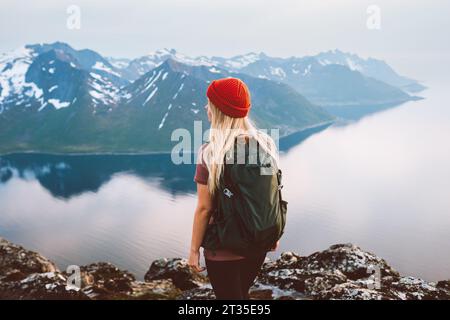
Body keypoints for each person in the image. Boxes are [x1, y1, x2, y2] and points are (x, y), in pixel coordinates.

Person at [188, 77, 281, 300]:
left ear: (218, 110)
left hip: (223, 247)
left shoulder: (211, 152)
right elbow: (272, 193)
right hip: (258, 241)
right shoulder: (266, 144)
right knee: (240, 294)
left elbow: (204, 209)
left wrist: (193, 250)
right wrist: (270, 231)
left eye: (209, 103)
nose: (205, 107)